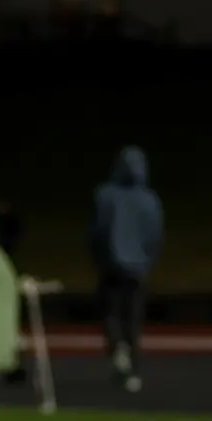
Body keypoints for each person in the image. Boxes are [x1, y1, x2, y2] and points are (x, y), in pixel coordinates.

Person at [87, 145, 162, 390]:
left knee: (111, 313)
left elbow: (97, 231)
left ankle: (117, 349)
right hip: (138, 268)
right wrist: (147, 260)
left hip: (111, 266)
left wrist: (99, 257)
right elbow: (154, 235)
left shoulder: (105, 195)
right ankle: (132, 365)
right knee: (133, 318)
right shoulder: (150, 200)